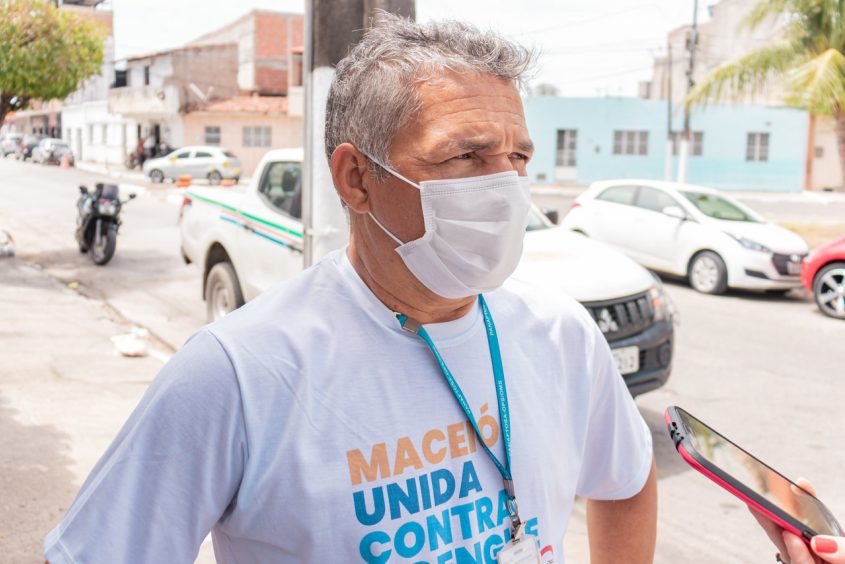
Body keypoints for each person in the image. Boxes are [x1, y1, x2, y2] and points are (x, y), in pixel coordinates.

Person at [44, 13, 656, 564]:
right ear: (356, 178)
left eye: (518, 158)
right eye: (466, 156)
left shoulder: (560, 334)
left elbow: (626, 480)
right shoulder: (240, 372)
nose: (505, 188)